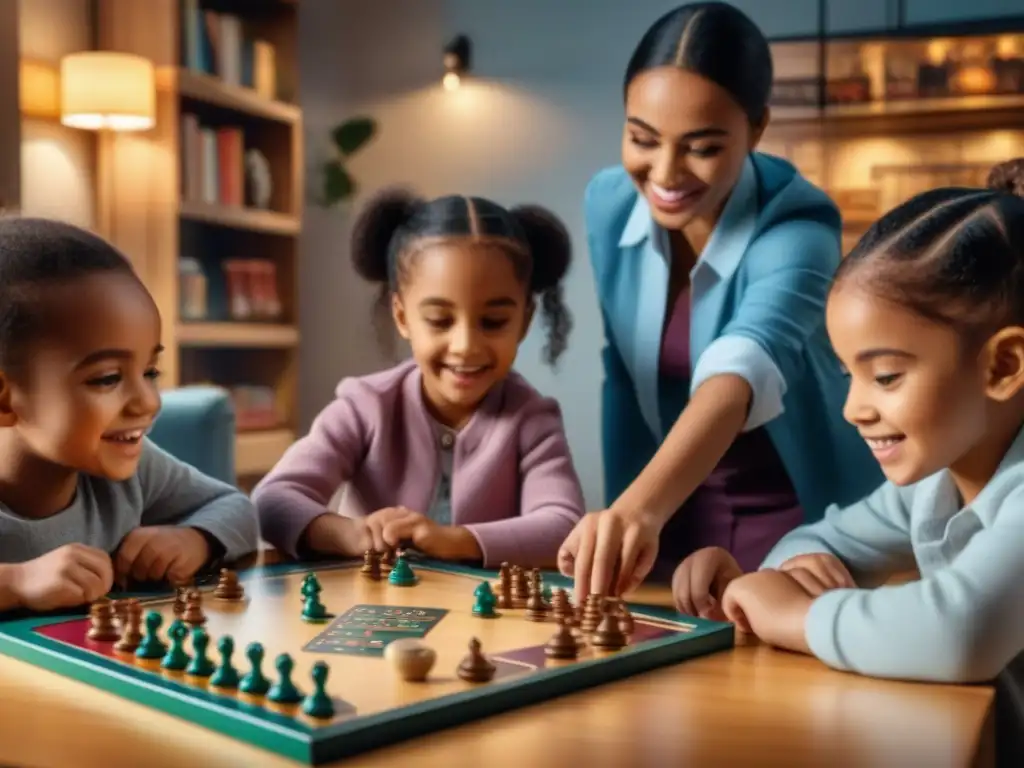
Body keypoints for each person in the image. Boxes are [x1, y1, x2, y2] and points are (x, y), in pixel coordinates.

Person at [676, 160, 1024, 764]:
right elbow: (818, 540)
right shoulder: (937, 483)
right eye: (849, 375)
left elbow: (960, 632)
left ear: (1004, 365)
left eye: (886, 376)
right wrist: (777, 578)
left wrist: (793, 614)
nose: (854, 409)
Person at [558, 1, 882, 601]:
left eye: (701, 147)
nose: (664, 172)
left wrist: (637, 510)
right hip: (668, 505)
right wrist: (630, 511)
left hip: (794, 519)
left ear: (756, 130)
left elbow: (743, 366)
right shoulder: (608, 203)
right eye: (641, 138)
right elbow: (625, 373)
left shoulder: (800, 226)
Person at [254, 190, 585, 568]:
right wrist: (349, 533)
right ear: (402, 316)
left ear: (524, 320)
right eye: (440, 321)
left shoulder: (532, 420)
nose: (465, 346)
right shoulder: (365, 406)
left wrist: (456, 541)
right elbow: (273, 499)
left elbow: (562, 527)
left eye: (493, 322)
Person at [0, 218, 259, 613]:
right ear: (5, 399)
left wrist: (194, 538)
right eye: (107, 379)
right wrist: (16, 582)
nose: (148, 402)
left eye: (150, 372)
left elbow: (235, 507)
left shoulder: (130, 473)